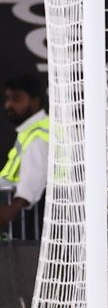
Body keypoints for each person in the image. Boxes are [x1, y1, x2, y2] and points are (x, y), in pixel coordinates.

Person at [0, 75, 48, 230]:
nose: (9, 105)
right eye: (7, 99)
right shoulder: (33, 131)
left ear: (35, 101)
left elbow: (34, 177)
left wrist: (12, 209)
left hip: (32, 223)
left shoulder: (39, 135)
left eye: (16, 99)